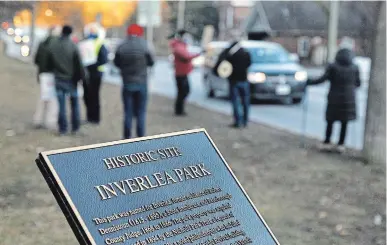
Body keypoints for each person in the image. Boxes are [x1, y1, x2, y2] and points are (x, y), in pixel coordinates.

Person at [307, 48, 361, 152]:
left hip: (334, 98)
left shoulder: (333, 67)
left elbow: (322, 79)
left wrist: (309, 82)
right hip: (349, 98)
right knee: (344, 122)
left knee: (330, 121)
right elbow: (358, 83)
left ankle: (327, 142)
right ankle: (341, 144)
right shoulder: (355, 68)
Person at [114, 24, 154, 139]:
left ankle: (127, 138)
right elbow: (151, 62)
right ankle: (141, 137)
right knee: (141, 112)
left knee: (128, 112)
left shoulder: (122, 46)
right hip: (142, 83)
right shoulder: (145, 45)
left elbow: (116, 63)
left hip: (127, 83)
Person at [48, 25, 85, 135]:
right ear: (70, 33)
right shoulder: (73, 46)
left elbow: (49, 61)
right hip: (71, 80)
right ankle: (75, 127)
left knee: (61, 105)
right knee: (74, 104)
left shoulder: (53, 45)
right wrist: (81, 78)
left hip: (58, 78)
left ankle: (63, 129)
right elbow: (79, 65)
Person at [214, 39, 252, 128]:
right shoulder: (246, 53)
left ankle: (238, 121)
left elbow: (222, 63)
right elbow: (249, 63)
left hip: (234, 81)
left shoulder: (230, 55)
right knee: (245, 102)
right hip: (244, 80)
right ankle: (245, 121)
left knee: (236, 102)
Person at [33, 25, 60, 130]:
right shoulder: (57, 45)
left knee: (42, 97)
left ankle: (37, 119)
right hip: (54, 75)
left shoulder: (42, 43)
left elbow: (36, 59)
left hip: (42, 74)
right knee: (53, 99)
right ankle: (51, 122)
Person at [81, 23, 108, 125]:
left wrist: (91, 65)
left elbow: (104, 59)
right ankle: (89, 117)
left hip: (96, 73)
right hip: (87, 73)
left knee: (94, 96)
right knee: (87, 96)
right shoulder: (84, 43)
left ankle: (95, 118)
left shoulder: (100, 43)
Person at [169, 30, 200, 116]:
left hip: (182, 73)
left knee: (182, 92)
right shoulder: (178, 47)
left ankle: (180, 109)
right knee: (184, 92)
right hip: (181, 74)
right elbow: (186, 56)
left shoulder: (181, 46)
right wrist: (198, 54)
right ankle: (179, 110)